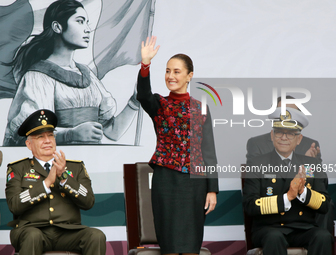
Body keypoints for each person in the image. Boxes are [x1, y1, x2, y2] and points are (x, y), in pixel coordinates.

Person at [3, 0, 140, 146]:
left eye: (87, 22)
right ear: (57, 27)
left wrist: (136, 100)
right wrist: (70, 135)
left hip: (90, 164)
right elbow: (29, 137)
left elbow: (112, 132)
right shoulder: (37, 77)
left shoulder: (87, 75)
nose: (87, 29)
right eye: (80, 21)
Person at [136, 36, 219, 255]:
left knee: (191, 245)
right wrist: (145, 65)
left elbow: (208, 151)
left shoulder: (201, 108)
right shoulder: (159, 104)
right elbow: (143, 95)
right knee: (170, 245)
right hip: (166, 181)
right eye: (167, 71)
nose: (170, 76)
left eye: (176, 71)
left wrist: (212, 189)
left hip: (195, 184)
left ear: (189, 76)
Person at [5, 109, 106, 255]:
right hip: (31, 230)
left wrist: (64, 178)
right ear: (29, 144)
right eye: (40, 137)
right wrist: (46, 183)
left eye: (50, 136)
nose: (47, 141)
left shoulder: (75, 167)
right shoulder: (18, 168)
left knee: (96, 236)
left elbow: (88, 202)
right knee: (33, 236)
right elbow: (14, 205)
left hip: (68, 232)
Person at [242, 107, 333, 255]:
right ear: (272, 135)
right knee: (274, 237)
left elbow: (324, 204)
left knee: (322, 236)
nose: (284, 138)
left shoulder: (309, 164)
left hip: (302, 228)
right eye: (279, 132)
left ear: (299, 139)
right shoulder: (257, 163)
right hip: (269, 228)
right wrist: (288, 197)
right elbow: (250, 205)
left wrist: (303, 192)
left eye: (290, 134)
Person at [246, 96, 321, 165]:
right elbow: (255, 175)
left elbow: (319, 178)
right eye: (282, 112)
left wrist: (308, 164)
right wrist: (302, 163)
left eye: (292, 112)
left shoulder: (310, 146)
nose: (287, 117)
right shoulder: (257, 144)